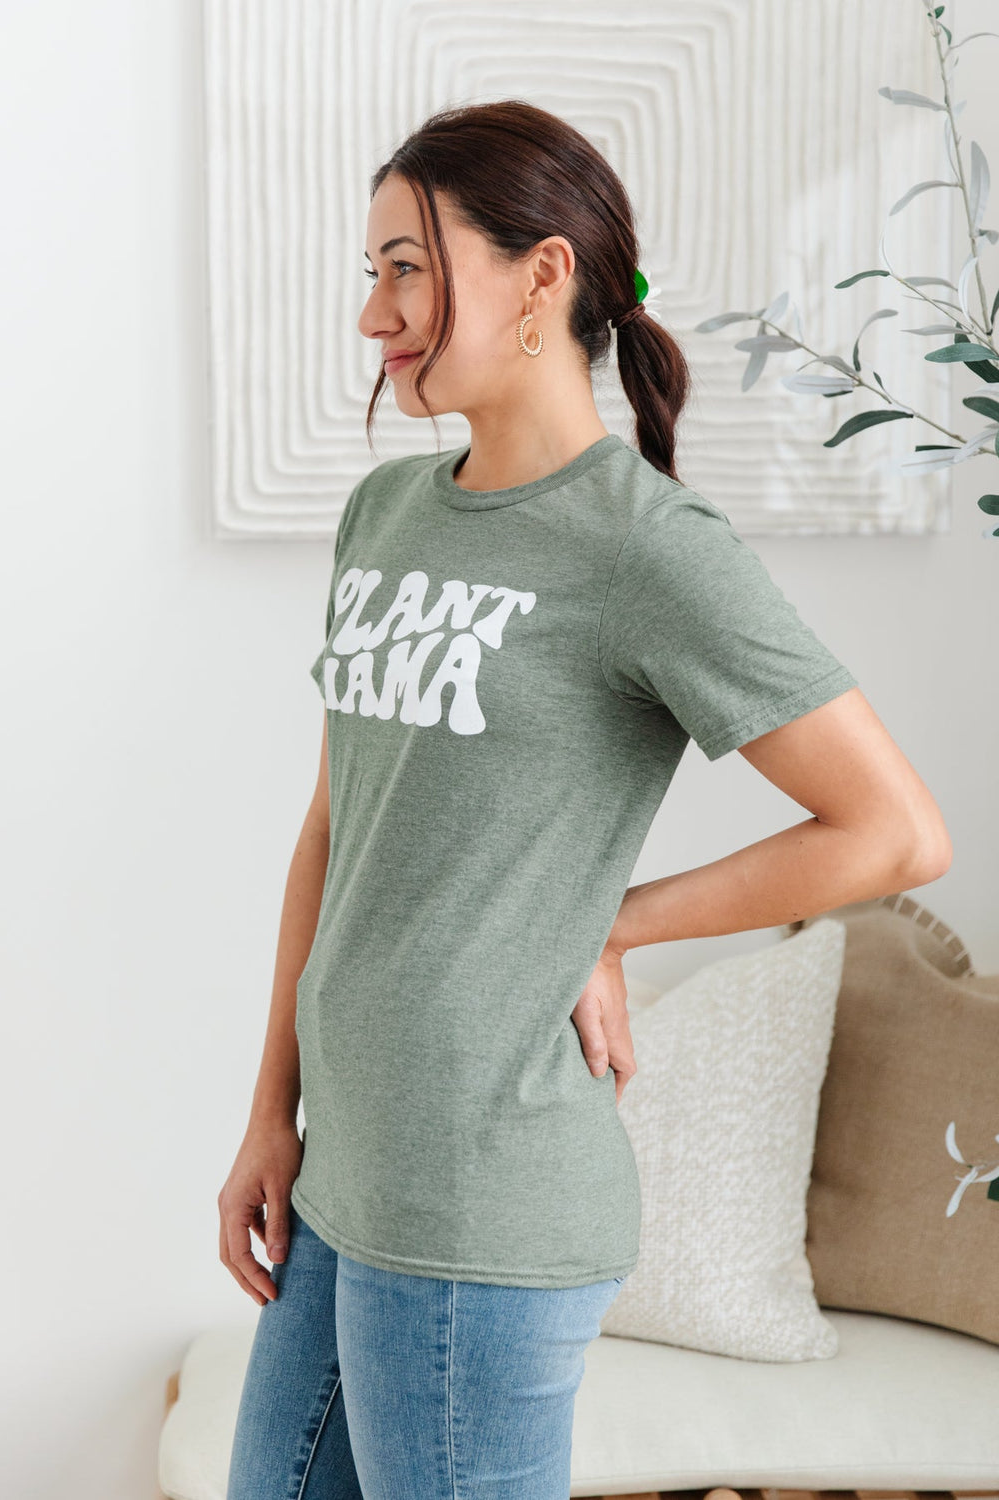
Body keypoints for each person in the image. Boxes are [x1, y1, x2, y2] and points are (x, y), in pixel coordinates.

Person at [218, 100, 951, 1500]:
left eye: (407, 268)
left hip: (485, 1207)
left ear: (542, 276)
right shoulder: (386, 517)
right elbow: (334, 830)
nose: (374, 314)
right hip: (342, 1175)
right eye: (373, 272)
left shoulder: (645, 546)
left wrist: (616, 922)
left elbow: (895, 831)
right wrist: (273, 1113)